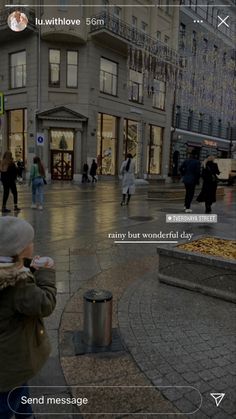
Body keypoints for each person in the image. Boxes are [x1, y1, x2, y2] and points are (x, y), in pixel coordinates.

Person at [0, 216, 56, 419]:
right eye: (30, 242)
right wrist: (46, 274)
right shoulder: (18, 285)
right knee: (7, 403)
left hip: (7, 362)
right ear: (20, 249)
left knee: (20, 394)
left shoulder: (8, 271)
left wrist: (29, 268)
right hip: (10, 362)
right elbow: (45, 303)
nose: (33, 244)